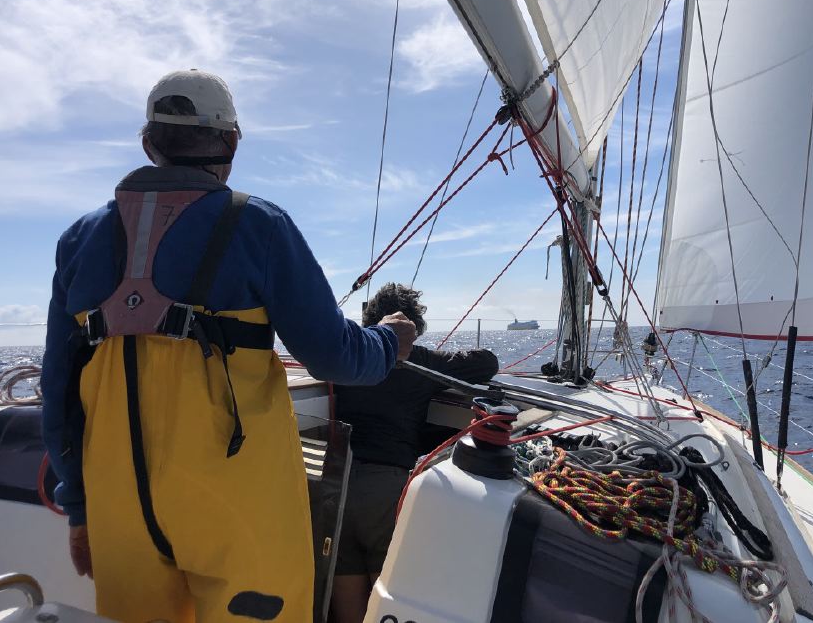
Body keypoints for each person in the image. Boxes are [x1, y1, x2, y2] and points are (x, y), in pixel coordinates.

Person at [40, 69, 416, 623]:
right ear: (232, 143)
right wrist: (391, 339)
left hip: (120, 508)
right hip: (236, 505)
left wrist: (79, 508)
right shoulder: (260, 225)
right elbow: (336, 357)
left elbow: (57, 388)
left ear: (148, 144)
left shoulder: (77, 239)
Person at [329, 283, 498, 623]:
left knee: (346, 590)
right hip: (385, 490)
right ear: (411, 329)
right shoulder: (418, 361)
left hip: (337, 484)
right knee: (386, 595)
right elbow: (487, 363)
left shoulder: (349, 357)